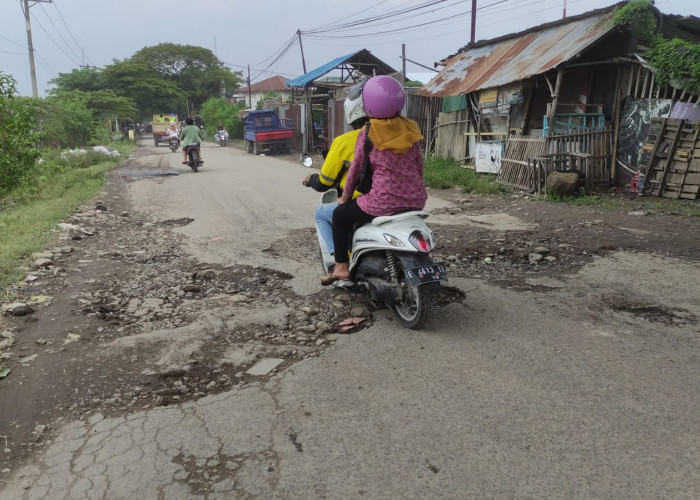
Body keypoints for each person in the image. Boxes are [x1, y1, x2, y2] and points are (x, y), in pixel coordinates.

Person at [321, 75, 426, 286]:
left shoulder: (368, 131)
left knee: (340, 215)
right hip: (416, 199)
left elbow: (356, 169)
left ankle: (341, 267)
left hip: (383, 201)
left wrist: (345, 197)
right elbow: (419, 165)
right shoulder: (410, 128)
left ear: (367, 105)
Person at [302, 80, 369, 256]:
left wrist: (311, 180)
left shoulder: (348, 141)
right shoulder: (407, 136)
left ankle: (339, 262)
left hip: (367, 202)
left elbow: (325, 181)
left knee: (323, 214)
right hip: (408, 203)